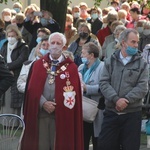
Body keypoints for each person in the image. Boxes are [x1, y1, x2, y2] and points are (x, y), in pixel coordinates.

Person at [21, 32, 84, 150]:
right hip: (40, 115)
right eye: (52, 43)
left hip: (62, 116)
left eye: (58, 43)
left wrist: (56, 102)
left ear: (64, 46)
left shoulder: (71, 67)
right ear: (49, 45)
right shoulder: (38, 65)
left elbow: (73, 93)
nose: (55, 46)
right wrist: (43, 103)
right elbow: (32, 89)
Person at [97, 28, 149, 150]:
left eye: (137, 42)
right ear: (123, 42)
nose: (136, 45)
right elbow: (104, 83)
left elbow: (142, 87)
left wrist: (125, 100)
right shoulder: (110, 61)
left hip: (132, 115)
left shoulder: (142, 64)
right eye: (133, 42)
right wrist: (116, 99)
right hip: (111, 113)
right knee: (105, 146)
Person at [78, 42, 104, 150]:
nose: (81, 56)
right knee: (82, 140)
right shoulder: (80, 67)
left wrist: (86, 88)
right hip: (82, 109)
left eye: (83, 53)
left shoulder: (103, 67)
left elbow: (104, 87)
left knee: (96, 139)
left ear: (92, 55)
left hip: (97, 109)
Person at [0, 24, 29, 116]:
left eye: (13, 36)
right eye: (9, 36)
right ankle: (5, 121)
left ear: (17, 35)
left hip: (17, 73)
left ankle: (15, 120)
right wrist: (6, 70)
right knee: (6, 99)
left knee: (15, 99)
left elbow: (21, 60)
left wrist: (7, 68)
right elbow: (2, 59)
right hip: (6, 73)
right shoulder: (5, 45)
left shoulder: (23, 46)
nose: (11, 38)